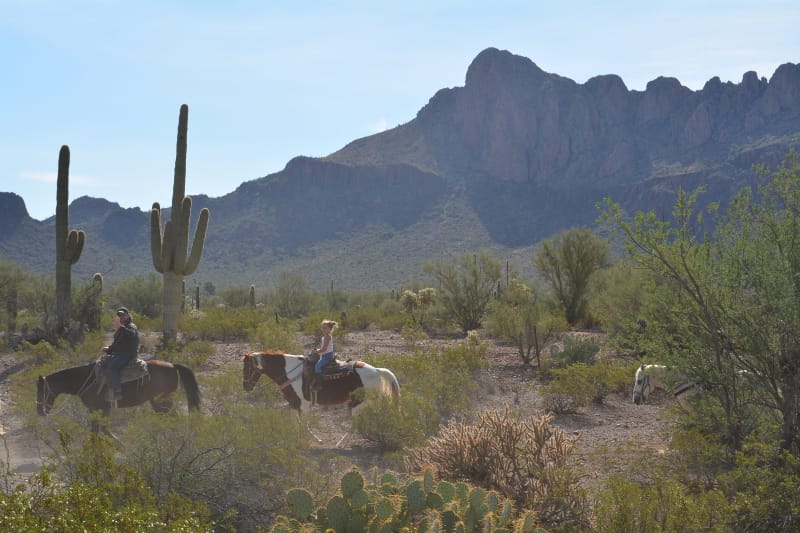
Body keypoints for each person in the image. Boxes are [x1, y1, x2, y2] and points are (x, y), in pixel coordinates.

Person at [102, 307, 140, 401]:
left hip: (127, 354)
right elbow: (117, 343)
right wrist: (109, 349)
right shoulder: (122, 328)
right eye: (119, 315)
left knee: (112, 368)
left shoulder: (131, 326)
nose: (121, 317)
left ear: (128, 315)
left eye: (123, 315)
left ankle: (118, 392)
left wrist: (122, 328)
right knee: (102, 363)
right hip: (119, 353)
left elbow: (132, 334)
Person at [311, 319, 337, 391]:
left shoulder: (327, 337)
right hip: (324, 354)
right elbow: (323, 348)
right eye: (323, 327)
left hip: (327, 356)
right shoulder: (325, 336)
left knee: (317, 367)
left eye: (325, 328)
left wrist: (317, 352)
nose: (323, 329)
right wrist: (317, 350)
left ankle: (319, 385)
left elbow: (324, 349)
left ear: (330, 329)